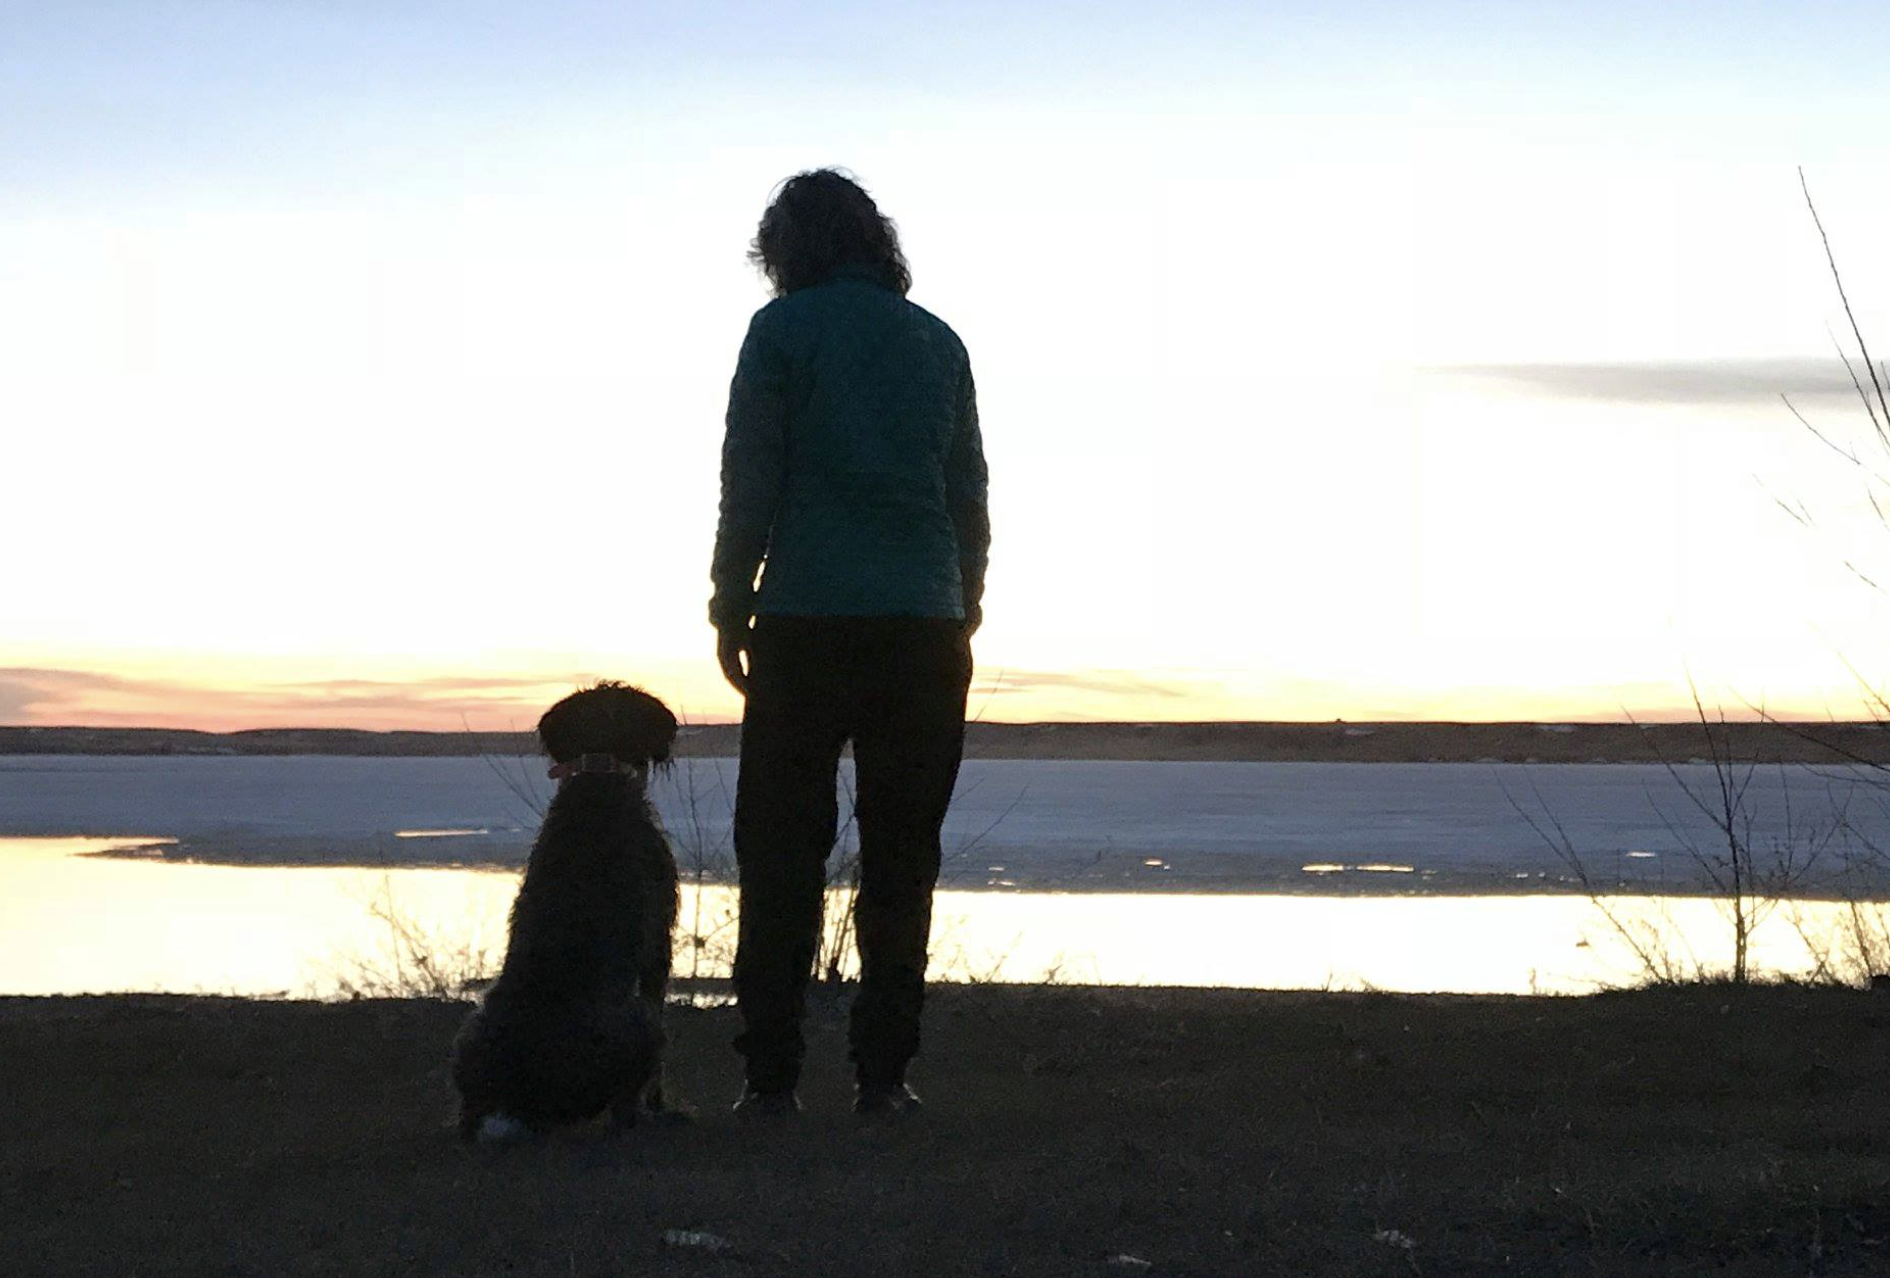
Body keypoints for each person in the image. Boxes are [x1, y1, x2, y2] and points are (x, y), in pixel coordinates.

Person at [709, 168, 990, 1118]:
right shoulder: (938, 343)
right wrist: (965, 603)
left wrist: (727, 599)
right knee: (903, 856)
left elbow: (751, 478)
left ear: (788, 249)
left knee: (780, 853)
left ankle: (771, 1077)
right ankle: (883, 1075)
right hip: (922, 629)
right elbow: (968, 498)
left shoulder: (780, 333)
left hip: (806, 624)